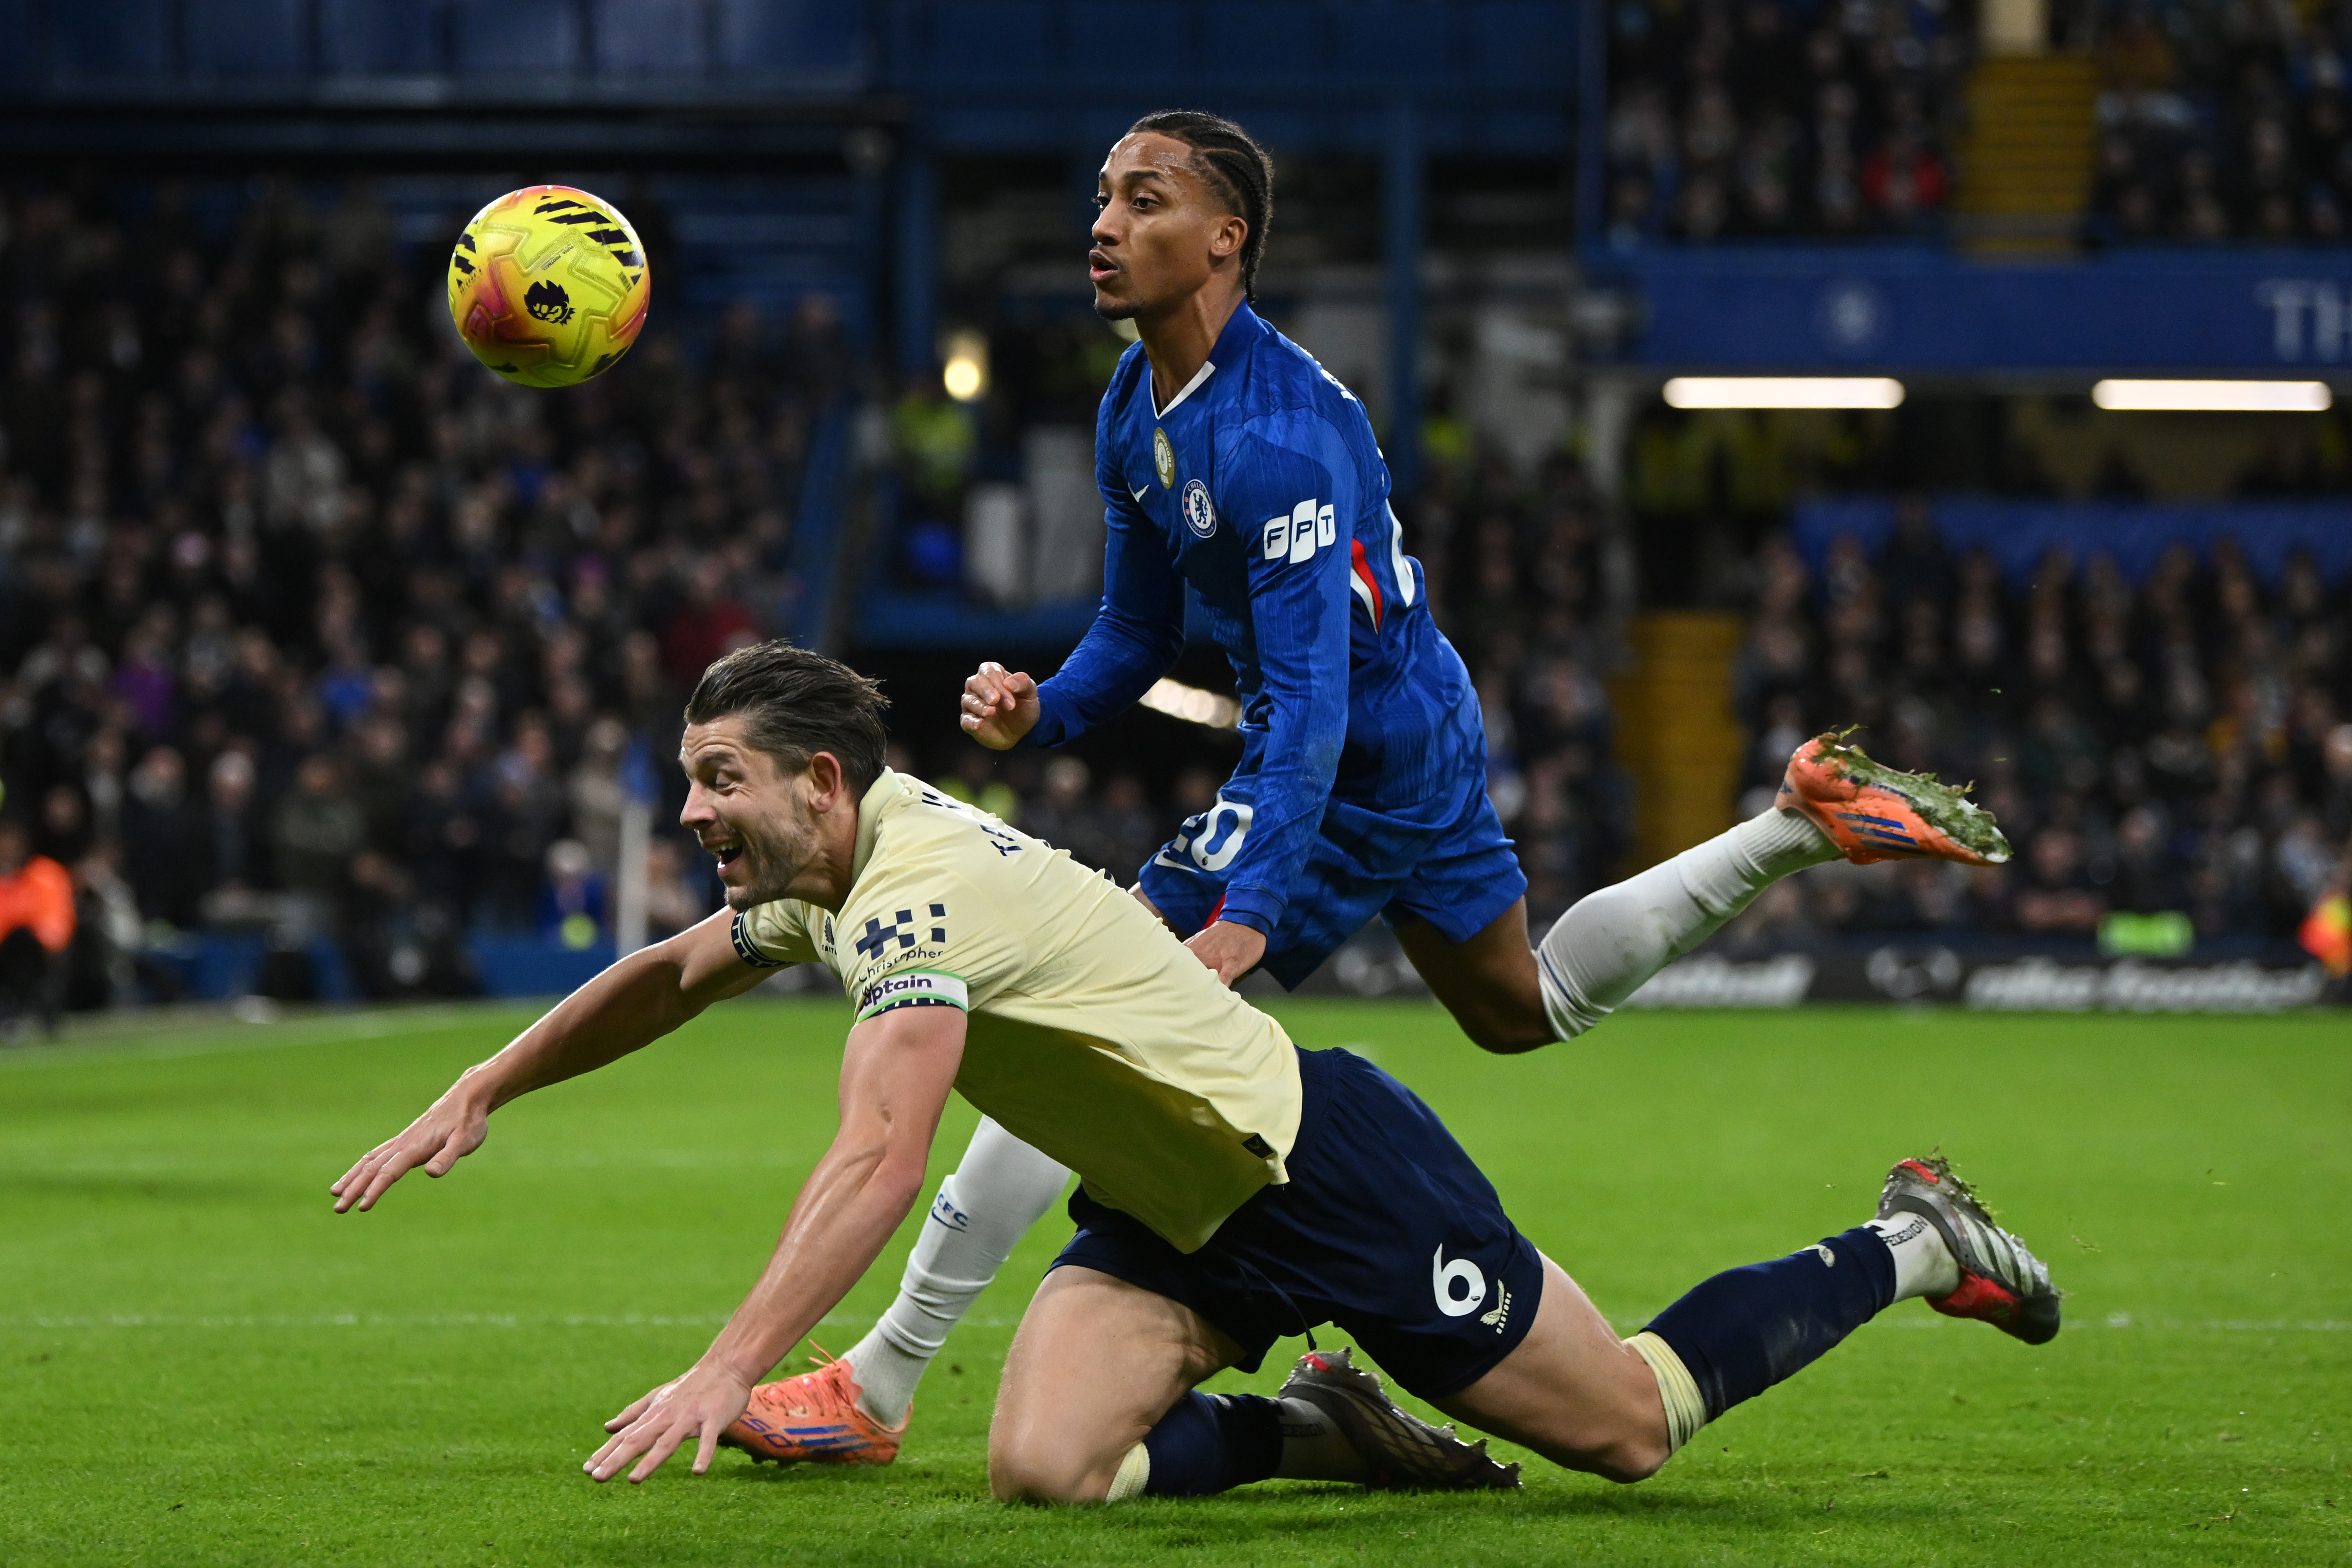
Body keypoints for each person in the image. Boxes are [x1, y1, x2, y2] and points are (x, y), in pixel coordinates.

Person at [751, 109, 2019, 1462]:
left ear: (1223, 239)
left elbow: (1301, 703)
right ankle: (1786, 829)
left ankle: (879, 1380)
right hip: (1410, 721)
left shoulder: (1277, 436)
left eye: (1142, 199)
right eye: (1101, 197)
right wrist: (1043, 708)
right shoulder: (1136, 400)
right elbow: (1133, 629)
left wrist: (1246, 902)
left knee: (1088, 998)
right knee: (1518, 1007)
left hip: (1364, 749)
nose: (1102, 224)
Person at [333, 643, 2059, 1503]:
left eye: (717, 778)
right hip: (1171, 1215)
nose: (693, 811)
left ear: (821, 779)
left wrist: (727, 1358)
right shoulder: (834, 873)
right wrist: (485, 1078)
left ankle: (1910, 1235)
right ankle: (1319, 1419)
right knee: (1043, 1465)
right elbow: (665, 975)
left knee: (1629, 1428)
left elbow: (877, 1152)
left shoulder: (918, 894)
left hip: (1323, 1169)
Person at [0, 816, 76, 1039]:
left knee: (22, 942)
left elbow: (57, 923)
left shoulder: (45, 874)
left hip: (40, 952)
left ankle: (29, 1010)